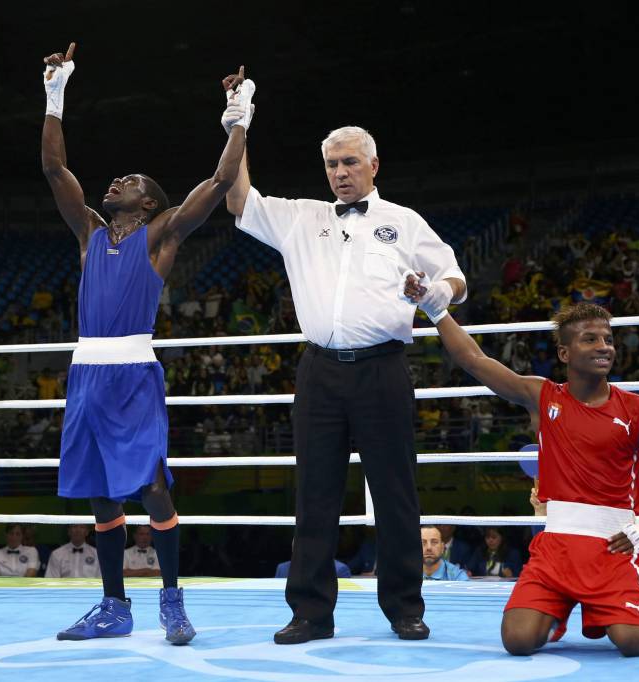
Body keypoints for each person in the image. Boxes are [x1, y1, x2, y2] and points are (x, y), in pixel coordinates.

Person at [40, 43, 253, 645]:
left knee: (153, 484)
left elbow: (218, 179)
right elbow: (56, 170)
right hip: (86, 370)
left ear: (150, 202)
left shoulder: (162, 235)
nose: (116, 181)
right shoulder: (87, 231)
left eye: (129, 181)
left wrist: (239, 115)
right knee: (99, 493)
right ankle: (114, 606)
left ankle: (172, 600)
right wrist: (54, 93)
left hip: (133, 368)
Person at [225, 123, 467, 645]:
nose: (340, 173)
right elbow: (239, 198)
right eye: (333, 164)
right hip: (320, 372)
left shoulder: (403, 222)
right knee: (314, 495)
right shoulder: (301, 217)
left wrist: (434, 292)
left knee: (396, 493)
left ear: (373, 166)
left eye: (350, 163)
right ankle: (311, 613)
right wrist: (239, 124)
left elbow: (456, 276)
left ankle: (405, 607)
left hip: (383, 368)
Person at [413, 299, 639, 657]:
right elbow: (474, 361)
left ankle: (599, 606)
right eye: (590, 339)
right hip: (556, 550)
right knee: (518, 640)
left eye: (608, 339)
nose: (604, 347)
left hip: (614, 548)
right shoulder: (541, 396)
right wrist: (435, 310)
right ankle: (559, 608)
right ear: (565, 353)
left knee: (634, 643)